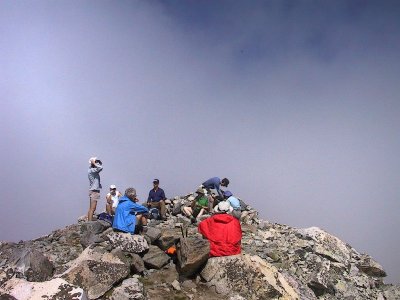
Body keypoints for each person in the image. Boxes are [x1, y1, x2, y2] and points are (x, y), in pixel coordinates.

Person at [88, 157, 103, 221]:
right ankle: (90, 223)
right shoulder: (92, 170)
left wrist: (99, 184)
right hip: (94, 191)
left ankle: (89, 221)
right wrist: (93, 162)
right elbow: (100, 168)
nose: (97, 163)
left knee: (91, 208)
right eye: (96, 162)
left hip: (93, 190)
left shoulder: (92, 170)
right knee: (93, 208)